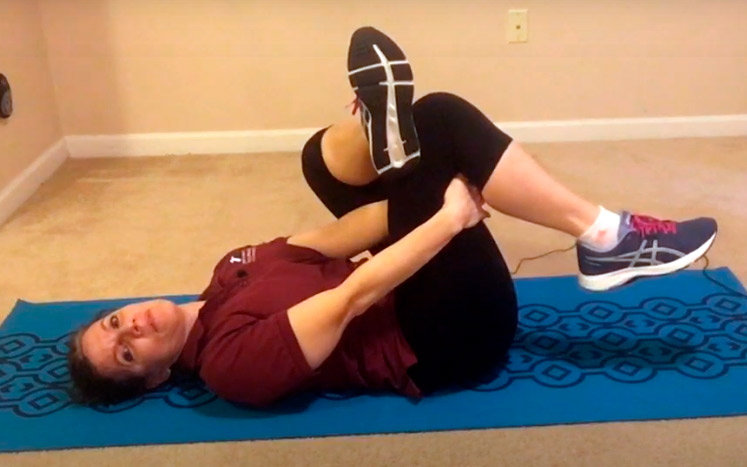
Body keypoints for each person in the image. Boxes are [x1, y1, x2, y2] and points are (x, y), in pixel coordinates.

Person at [66, 27, 717, 407]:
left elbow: (332, 239)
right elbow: (353, 294)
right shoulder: (229, 365)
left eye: (115, 319)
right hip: (446, 339)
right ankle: (603, 234)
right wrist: (446, 215)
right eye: (127, 350)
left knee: (321, 161)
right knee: (437, 120)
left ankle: (378, 133)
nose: (135, 325)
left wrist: (401, 188)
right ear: (151, 376)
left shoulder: (224, 275)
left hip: (403, 287)